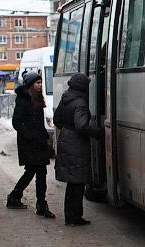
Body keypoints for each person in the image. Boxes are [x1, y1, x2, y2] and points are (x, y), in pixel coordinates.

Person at [7, 71, 56, 218]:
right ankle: (38, 204)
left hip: (38, 143)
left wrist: (43, 136)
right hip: (29, 144)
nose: (40, 85)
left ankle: (19, 197)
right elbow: (17, 122)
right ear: (30, 84)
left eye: (41, 83)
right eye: (37, 83)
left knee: (37, 173)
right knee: (35, 172)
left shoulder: (36, 98)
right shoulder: (24, 100)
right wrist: (30, 135)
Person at [54, 73, 101, 226]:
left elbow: (56, 119)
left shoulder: (66, 98)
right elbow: (81, 126)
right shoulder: (80, 102)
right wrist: (97, 133)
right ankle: (75, 217)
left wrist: (67, 130)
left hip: (66, 140)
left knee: (72, 183)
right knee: (78, 183)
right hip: (77, 145)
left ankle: (70, 216)